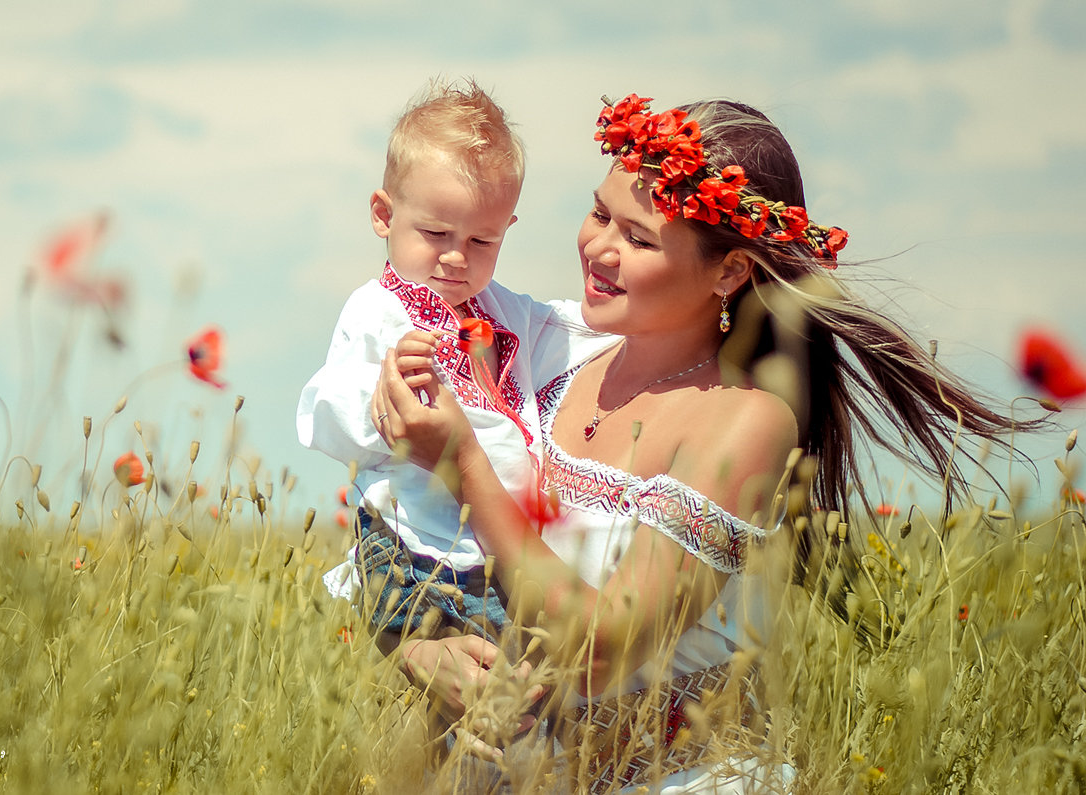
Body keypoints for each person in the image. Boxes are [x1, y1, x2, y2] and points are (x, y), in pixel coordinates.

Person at [372, 94, 1030, 792]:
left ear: (729, 271)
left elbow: (603, 648)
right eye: (599, 214)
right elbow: (411, 527)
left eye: (640, 237)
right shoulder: (547, 354)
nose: (600, 249)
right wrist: (417, 646)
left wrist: (464, 462)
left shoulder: (747, 419)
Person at [297, 79, 611, 645]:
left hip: (497, 553)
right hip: (416, 551)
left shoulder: (504, 312)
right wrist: (382, 394)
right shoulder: (380, 311)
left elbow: (575, 328)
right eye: (436, 232)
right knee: (437, 691)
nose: (455, 258)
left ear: (507, 231)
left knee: (503, 695)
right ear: (382, 214)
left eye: (482, 241)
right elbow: (321, 409)